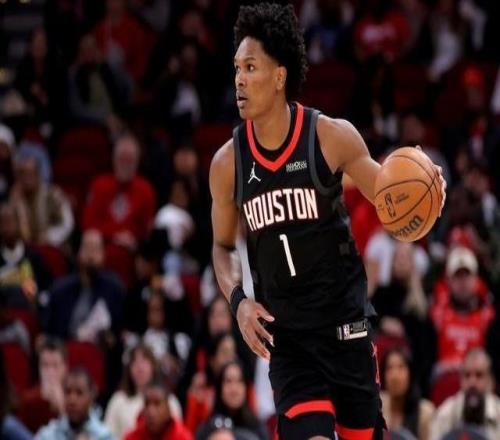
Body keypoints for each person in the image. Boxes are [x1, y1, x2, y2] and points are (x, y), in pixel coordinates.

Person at [209, 4, 446, 440]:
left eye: (251, 67)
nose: (239, 79)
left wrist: (426, 192)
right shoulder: (228, 164)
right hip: (289, 340)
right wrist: (239, 301)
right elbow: (222, 246)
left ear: (279, 76)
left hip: (345, 327)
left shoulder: (330, 136)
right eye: (236, 68)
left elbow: (390, 198)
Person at [105, 342, 182, 439]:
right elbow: (107, 436)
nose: (139, 367)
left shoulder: (170, 401)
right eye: (135, 362)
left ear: (153, 366)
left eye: (144, 361)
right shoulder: (118, 400)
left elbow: (177, 433)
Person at [429, 348, 500, 440]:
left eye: (479, 375)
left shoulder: (498, 412)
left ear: (490, 380)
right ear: (461, 380)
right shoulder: (445, 414)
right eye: (467, 375)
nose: (472, 382)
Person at [35, 368, 114, 440]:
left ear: (91, 396)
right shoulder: (48, 435)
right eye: (68, 392)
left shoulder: (104, 436)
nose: (72, 400)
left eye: (79, 393)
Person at [202, 360, 268, 440]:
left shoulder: (258, 428)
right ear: (219, 388)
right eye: (228, 381)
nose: (234, 388)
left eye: (239, 381)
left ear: (246, 388)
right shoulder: (207, 429)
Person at [380, 348, 434, 440]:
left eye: (401, 367)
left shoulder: (425, 412)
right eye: (389, 368)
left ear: (411, 374)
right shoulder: (377, 406)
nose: (394, 376)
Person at [18, 338, 68, 433]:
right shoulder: (27, 398)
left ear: (65, 367)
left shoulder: (74, 396)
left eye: (55, 365)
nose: (50, 372)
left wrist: (61, 407)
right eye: (45, 365)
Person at [124, 379, 192, 440]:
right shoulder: (132, 437)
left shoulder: (183, 437)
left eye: (157, 404)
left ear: (168, 409)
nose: (151, 411)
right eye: (147, 404)